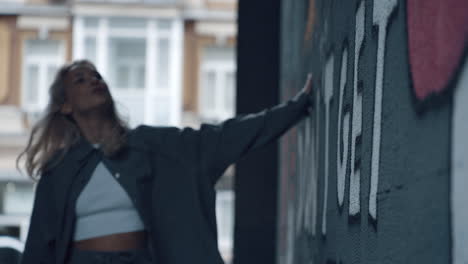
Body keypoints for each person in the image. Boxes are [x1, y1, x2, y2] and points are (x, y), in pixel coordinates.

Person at [17, 59, 313, 264]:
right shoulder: (60, 170)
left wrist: (296, 108)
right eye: (80, 79)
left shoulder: (154, 146)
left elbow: (226, 137)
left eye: (97, 76)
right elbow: (38, 247)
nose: (93, 80)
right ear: (66, 105)